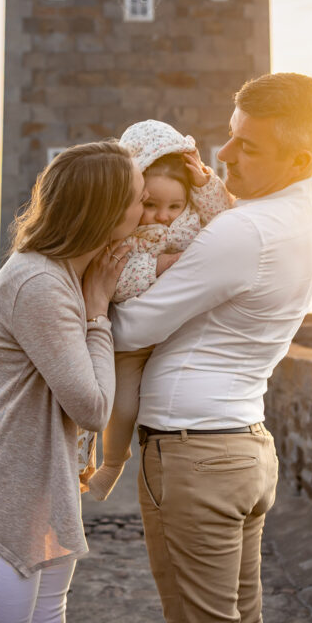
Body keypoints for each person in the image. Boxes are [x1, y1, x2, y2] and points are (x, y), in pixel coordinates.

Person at [110, 73, 312, 623]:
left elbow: (131, 329)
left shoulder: (243, 231)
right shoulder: (302, 223)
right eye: (231, 134)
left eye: (247, 146)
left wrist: (88, 298)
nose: (225, 153)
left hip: (195, 455)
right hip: (244, 448)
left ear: (300, 160)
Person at [0, 141, 143, 623]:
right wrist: (97, 312)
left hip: (42, 481)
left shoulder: (63, 275)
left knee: (49, 614)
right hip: (9, 486)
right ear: (107, 212)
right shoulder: (40, 285)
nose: (147, 210)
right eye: (139, 199)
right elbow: (92, 408)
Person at [87, 120, 232, 501]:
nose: (164, 216)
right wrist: (162, 264)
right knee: (118, 405)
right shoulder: (124, 232)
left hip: (183, 335)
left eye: (174, 206)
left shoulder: (193, 218)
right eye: (151, 205)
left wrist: (203, 182)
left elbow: (225, 216)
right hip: (131, 344)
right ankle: (112, 462)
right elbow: (117, 281)